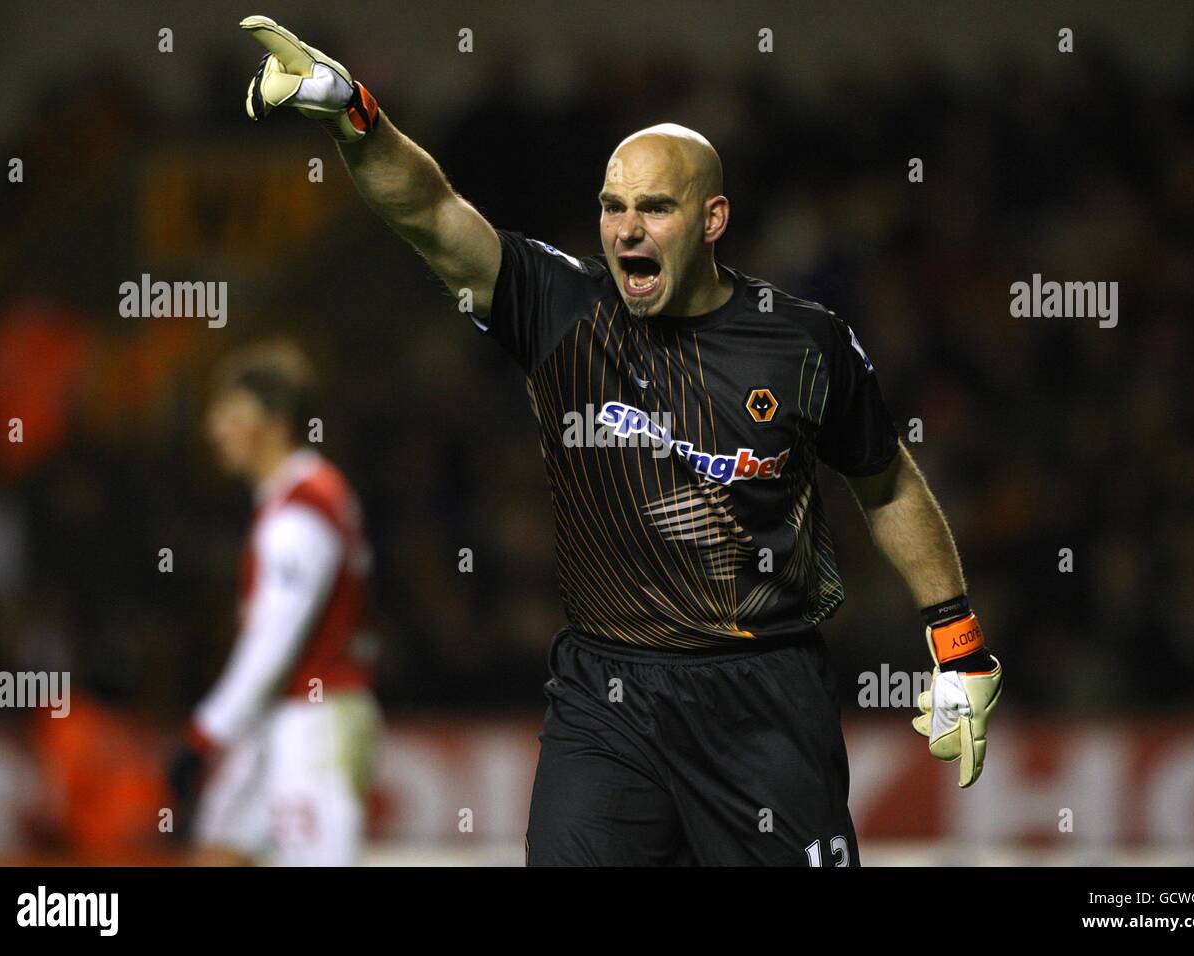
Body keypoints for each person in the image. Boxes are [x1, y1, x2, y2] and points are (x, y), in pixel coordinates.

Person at [238, 16, 1002, 866]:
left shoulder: (804, 345)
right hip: (608, 698)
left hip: (764, 701)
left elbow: (886, 485)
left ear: (712, 218)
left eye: (655, 208)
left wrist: (957, 643)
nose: (627, 229)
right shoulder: (562, 311)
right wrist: (353, 112)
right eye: (613, 207)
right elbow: (430, 210)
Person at [167, 340, 380, 866]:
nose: (215, 428)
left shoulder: (305, 507)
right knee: (217, 854)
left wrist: (205, 732)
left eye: (231, 413)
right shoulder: (299, 498)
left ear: (276, 421)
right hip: (280, 719)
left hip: (316, 721)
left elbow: (273, 641)